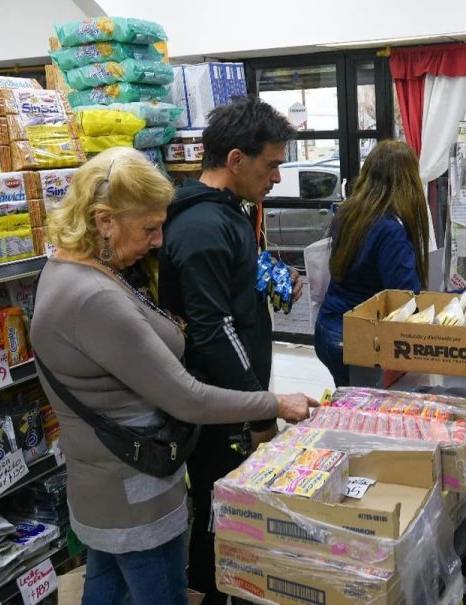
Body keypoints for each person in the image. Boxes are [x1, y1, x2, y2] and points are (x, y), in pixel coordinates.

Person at [30, 147, 316, 604]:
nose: (160, 241)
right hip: (132, 495)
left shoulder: (71, 269)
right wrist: (274, 404)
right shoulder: (92, 297)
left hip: (107, 486)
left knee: (107, 588)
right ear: (104, 221)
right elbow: (188, 399)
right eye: (149, 228)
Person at [157, 98, 301, 605]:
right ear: (236, 160)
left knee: (233, 511)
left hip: (234, 399)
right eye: (272, 165)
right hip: (218, 405)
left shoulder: (229, 215)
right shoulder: (201, 228)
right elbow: (213, 330)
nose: (277, 179)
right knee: (222, 514)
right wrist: (259, 409)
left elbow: (231, 302)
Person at [315, 140, 430, 386]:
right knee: (366, 415)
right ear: (408, 182)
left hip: (328, 328)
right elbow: (406, 295)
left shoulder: (349, 212)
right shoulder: (390, 231)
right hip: (356, 338)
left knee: (348, 403)